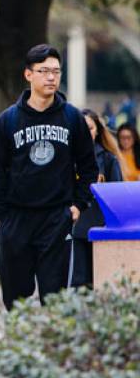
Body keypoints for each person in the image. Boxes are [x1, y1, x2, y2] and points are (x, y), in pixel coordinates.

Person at [0, 44, 97, 310]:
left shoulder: (72, 117)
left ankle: (53, 339)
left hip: (57, 218)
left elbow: (88, 166)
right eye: (44, 71)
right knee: (16, 300)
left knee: (55, 299)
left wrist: (77, 205)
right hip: (16, 218)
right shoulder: (8, 120)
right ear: (28, 74)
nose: (51, 77)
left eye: (56, 72)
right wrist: (2, 215)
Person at [72, 110, 125, 287]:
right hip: (74, 229)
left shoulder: (109, 160)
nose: (86, 132)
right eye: (81, 128)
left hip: (101, 229)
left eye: (90, 128)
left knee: (102, 282)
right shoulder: (66, 159)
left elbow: (117, 197)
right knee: (77, 283)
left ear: (98, 131)